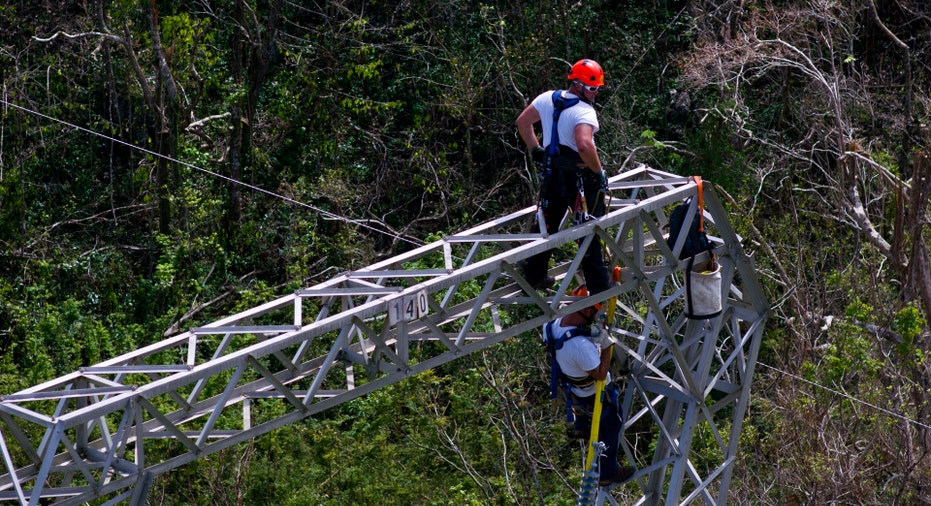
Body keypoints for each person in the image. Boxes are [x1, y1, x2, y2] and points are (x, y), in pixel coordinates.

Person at [516, 59, 611, 293]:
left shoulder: (547, 98)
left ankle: (534, 275)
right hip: (578, 179)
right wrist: (598, 173)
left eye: (597, 88)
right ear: (577, 84)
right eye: (592, 88)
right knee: (587, 229)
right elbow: (585, 146)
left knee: (547, 226)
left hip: (552, 176)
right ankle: (599, 286)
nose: (595, 93)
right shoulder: (584, 111)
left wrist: (536, 149)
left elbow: (523, 122)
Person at [544, 285, 636, 486]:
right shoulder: (580, 346)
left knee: (587, 410)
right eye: (596, 311)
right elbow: (601, 375)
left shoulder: (552, 325)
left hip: (573, 386)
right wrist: (606, 345)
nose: (597, 315)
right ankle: (607, 474)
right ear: (586, 310)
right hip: (592, 392)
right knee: (611, 426)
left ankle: (582, 425)